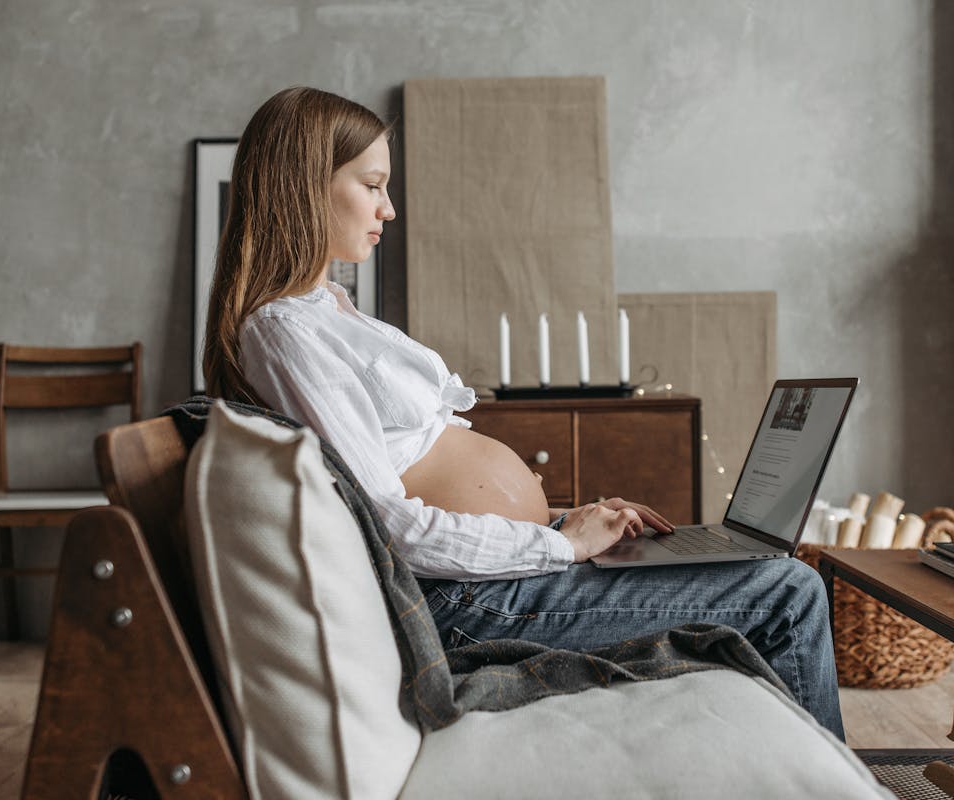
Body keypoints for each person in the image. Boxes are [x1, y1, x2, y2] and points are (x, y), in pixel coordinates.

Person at [203, 86, 844, 740]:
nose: (388, 209)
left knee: (755, 568)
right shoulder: (283, 332)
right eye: (372, 185)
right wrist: (562, 544)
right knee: (786, 590)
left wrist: (572, 521)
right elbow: (387, 526)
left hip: (497, 577)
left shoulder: (326, 310)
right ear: (306, 186)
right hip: (468, 604)